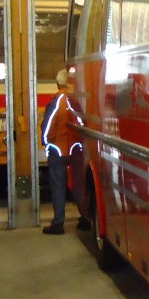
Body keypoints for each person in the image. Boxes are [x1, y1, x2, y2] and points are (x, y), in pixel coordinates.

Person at [41, 69, 88, 235]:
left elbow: (47, 126)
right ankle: (85, 218)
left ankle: (58, 223)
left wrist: (46, 142)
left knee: (58, 186)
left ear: (57, 83)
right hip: (75, 148)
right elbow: (83, 123)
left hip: (57, 149)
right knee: (79, 185)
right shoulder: (75, 101)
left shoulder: (56, 101)